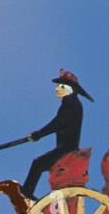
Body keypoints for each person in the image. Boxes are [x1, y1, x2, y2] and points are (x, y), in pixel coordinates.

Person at [21, 70, 94, 200]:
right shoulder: (69, 104)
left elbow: (58, 123)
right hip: (63, 148)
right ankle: (26, 193)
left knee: (38, 163)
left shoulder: (72, 105)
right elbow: (57, 123)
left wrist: (39, 134)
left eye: (61, 86)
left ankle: (26, 193)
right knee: (39, 163)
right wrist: (38, 134)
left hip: (66, 150)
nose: (57, 89)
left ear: (71, 89)